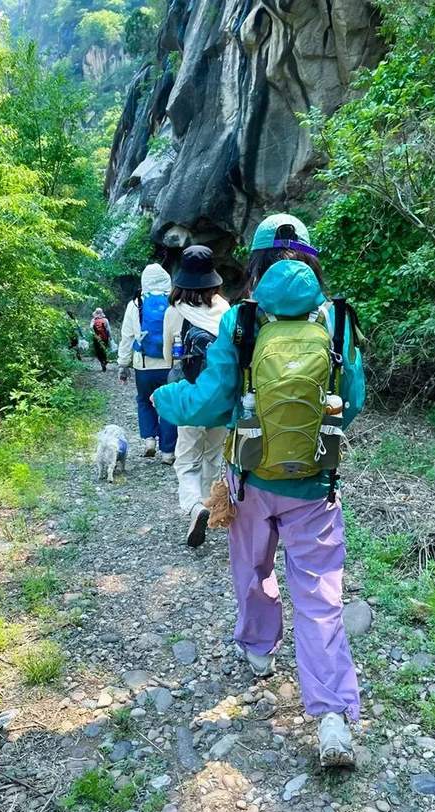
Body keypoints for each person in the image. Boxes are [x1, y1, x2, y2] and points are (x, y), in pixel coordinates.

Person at [153, 214, 366, 767]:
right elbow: (353, 401)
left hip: (248, 477)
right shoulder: (337, 318)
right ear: (311, 261)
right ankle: (332, 718)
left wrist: (165, 401)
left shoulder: (242, 321)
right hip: (315, 484)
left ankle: (258, 649)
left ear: (256, 263)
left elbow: (208, 402)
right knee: (320, 596)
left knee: (252, 569)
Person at [163, 246, 230, 547]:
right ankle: (210, 506)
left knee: (187, 459)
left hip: (190, 396)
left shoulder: (174, 311)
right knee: (213, 455)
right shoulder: (225, 309)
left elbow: (169, 357)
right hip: (220, 396)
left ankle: (194, 507)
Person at [117, 263, 177, 463]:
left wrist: (123, 363)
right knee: (168, 404)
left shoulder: (135, 304)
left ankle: (150, 440)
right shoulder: (175, 302)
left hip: (143, 365)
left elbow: (127, 336)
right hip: (169, 365)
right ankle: (168, 453)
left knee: (144, 401)